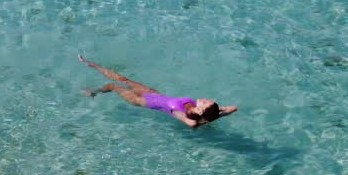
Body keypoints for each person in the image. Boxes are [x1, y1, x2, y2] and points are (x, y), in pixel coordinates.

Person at [78, 54, 237, 128]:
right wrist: (217, 113)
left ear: (202, 110)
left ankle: (94, 92)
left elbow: (191, 123)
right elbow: (233, 108)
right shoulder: (196, 106)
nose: (207, 98)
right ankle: (92, 64)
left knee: (113, 86)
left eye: (207, 102)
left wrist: (204, 121)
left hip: (142, 101)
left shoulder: (181, 113)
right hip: (153, 94)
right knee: (124, 80)